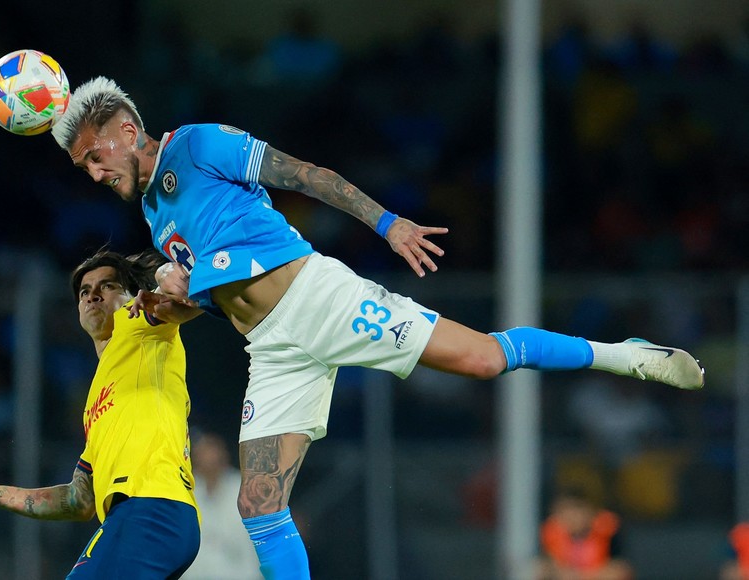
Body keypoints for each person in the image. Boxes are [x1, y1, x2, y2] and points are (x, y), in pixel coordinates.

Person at [51, 77, 705, 580]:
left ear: (128, 128)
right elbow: (219, 295)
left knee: (481, 360)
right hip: (275, 349)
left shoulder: (197, 145)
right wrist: (175, 303)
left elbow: (306, 175)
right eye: (84, 169)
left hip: (319, 298)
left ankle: (624, 355)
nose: (95, 172)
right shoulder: (155, 212)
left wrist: (388, 223)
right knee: (259, 504)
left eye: (94, 156)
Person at [0, 249, 203, 579]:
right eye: (84, 291)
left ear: (130, 296)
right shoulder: (97, 399)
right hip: (143, 517)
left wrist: (167, 278)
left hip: (150, 509)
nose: (93, 295)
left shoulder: (138, 326)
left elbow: (186, 301)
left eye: (107, 286)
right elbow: (79, 500)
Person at [182, 430, 262, 580]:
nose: (207, 459)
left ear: (223, 456)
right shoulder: (187, 491)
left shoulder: (246, 489)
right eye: (201, 454)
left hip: (239, 574)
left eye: (211, 452)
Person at [534, 488, 633, 580]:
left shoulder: (608, 530)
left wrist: (584, 575)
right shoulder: (551, 533)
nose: (573, 518)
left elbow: (620, 568)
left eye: (578, 511)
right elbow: (548, 565)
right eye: (567, 512)